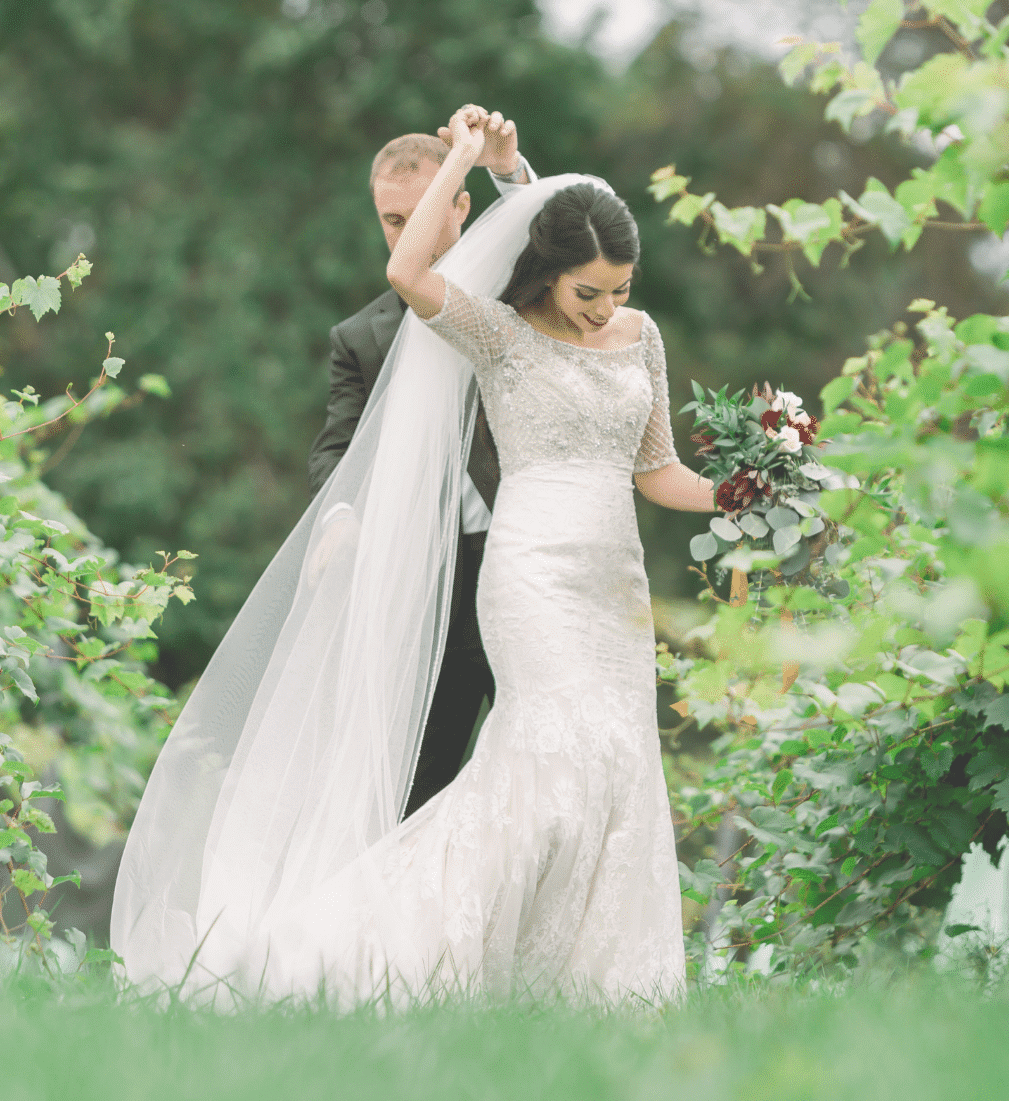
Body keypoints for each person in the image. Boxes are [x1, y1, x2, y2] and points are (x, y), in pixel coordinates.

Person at [111, 106, 716, 1008]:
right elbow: (346, 431)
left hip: (607, 582)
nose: (605, 309)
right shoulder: (464, 326)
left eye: (618, 290)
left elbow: (653, 454)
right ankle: (399, 947)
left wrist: (754, 489)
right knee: (510, 771)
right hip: (499, 575)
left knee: (610, 767)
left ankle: (590, 974)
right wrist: (341, 515)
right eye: (389, 218)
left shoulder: (599, 314)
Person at [306, 110, 534, 815]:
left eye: (423, 211)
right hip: (425, 578)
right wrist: (340, 516)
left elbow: (553, 232)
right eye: (392, 220)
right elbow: (335, 447)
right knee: (416, 782)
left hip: (524, 554)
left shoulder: (521, 292)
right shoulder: (360, 336)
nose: (408, 231)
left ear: (460, 204)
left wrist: (505, 167)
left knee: (538, 758)